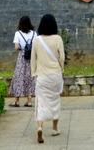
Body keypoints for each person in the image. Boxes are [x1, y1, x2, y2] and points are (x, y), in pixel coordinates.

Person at [31, 13, 65, 144]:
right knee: (55, 100)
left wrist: (34, 73)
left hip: (42, 76)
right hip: (55, 75)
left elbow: (33, 59)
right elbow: (61, 57)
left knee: (40, 102)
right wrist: (61, 68)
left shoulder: (36, 40)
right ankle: (55, 128)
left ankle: (40, 127)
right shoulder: (58, 39)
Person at [9, 15, 36, 107]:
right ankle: (29, 101)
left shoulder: (18, 33)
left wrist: (22, 47)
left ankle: (16, 100)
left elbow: (16, 47)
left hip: (22, 57)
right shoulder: (34, 33)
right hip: (31, 58)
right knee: (30, 77)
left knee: (19, 77)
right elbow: (36, 46)